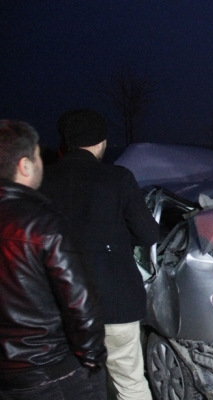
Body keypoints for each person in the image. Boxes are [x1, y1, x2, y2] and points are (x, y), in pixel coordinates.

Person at [40, 110, 159, 400]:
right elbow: (148, 235)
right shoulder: (117, 178)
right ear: (102, 141)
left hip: (62, 307)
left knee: (76, 387)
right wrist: (116, 239)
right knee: (130, 381)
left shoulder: (44, 181)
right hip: (115, 303)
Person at [0, 120, 107, 400]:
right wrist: (93, 359)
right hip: (52, 370)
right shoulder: (42, 224)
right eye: (37, 157)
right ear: (24, 165)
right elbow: (79, 302)